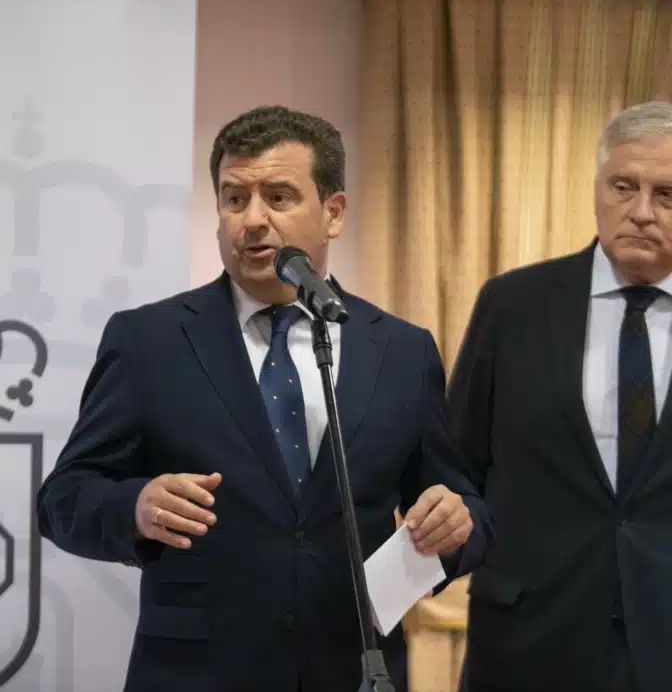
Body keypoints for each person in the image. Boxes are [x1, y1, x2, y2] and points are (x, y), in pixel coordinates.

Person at [36, 105, 493, 692]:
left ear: (333, 213)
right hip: (196, 675)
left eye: (278, 197)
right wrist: (135, 507)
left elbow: (463, 506)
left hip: (351, 673)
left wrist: (458, 524)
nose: (252, 220)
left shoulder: (402, 351)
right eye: (234, 199)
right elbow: (63, 499)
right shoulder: (148, 341)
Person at [449, 101, 672, 692]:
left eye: (667, 195)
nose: (642, 212)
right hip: (527, 639)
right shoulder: (512, 305)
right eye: (623, 187)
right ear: (597, 188)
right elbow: (455, 464)